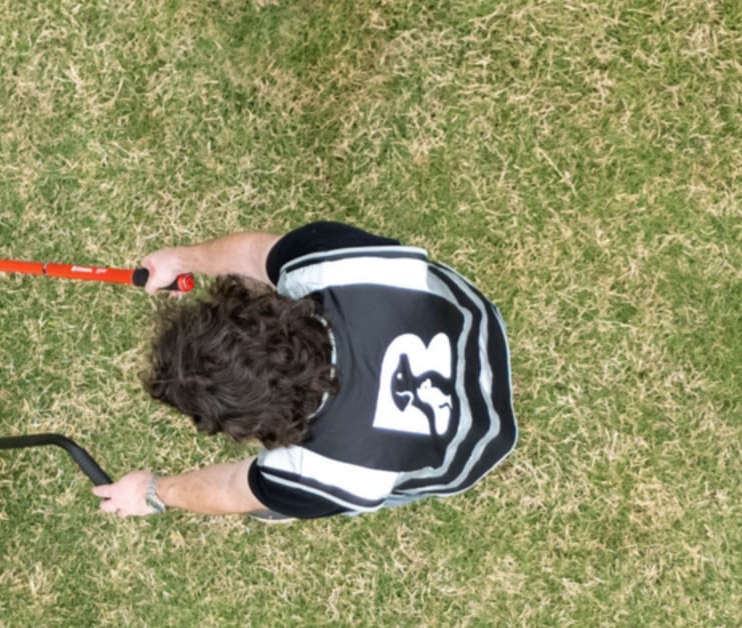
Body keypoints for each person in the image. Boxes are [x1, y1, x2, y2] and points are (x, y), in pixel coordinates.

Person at [93, 221, 516, 519]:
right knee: (297, 491)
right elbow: (253, 255)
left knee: (311, 494)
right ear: (247, 304)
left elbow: (230, 490)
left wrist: (152, 492)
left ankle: (282, 502)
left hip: (475, 442)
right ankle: (282, 498)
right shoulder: (332, 265)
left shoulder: (320, 474)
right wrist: (180, 259)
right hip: (471, 320)